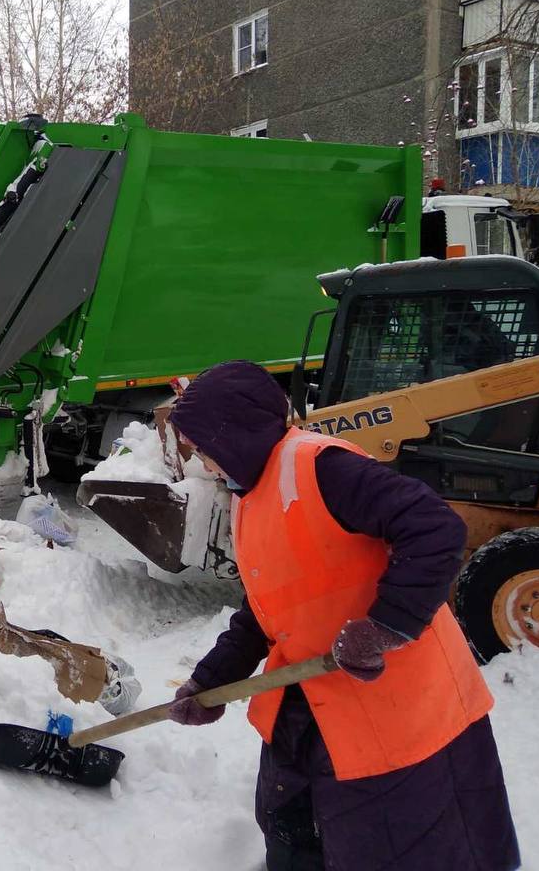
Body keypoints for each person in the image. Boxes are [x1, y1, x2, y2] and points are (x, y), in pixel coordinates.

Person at [165, 360, 519, 871]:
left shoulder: (322, 467)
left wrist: (386, 626)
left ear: (232, 433)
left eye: (201, 447)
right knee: (295, 831)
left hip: (397, 707)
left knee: (396, 846)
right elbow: (265, 609)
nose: (200, 461)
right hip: (310, 703)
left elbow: (435, 528)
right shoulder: (252, 494)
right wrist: (211, 681)